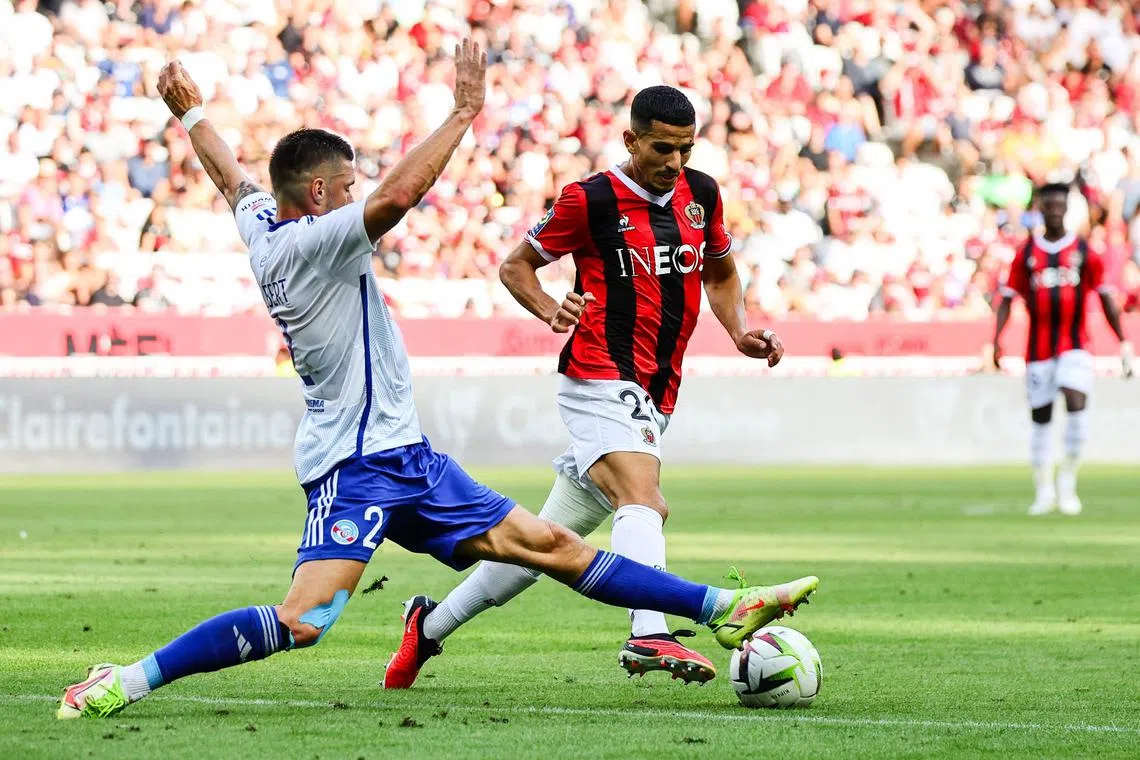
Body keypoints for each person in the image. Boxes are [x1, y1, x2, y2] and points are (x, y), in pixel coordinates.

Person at [57, 45, 818, 720]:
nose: (356, 192)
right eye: (345, 184)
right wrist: (462, 112)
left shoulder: (263, 224)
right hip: (355, 467)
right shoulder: (314, 244)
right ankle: (128, 676)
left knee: (549, 544)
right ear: (319, 198)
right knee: (305, 623)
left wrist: (192, 117)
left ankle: (721, 606)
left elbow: (233, 181)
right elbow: (396, 198)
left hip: (408, 457)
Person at [384, 86, 789, 689]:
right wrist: (549, 308)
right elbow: (515, 265)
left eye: (685, 149)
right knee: (644, 500)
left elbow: (721, 270)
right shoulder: (591, 198)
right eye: (661, 148)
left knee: (542, 546)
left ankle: (428, 626)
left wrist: (737, 330)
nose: (674, 162)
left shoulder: (701, 194)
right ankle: (647, 630)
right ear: (630, 140)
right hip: (598, 373)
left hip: (657, 389)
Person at [993, 182, 1133, 516]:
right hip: (1038, 350)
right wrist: (996, 339)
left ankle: (1067, 483)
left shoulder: (1083, 251)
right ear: (1039, 209)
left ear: (1067, 210)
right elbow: (1007, 300)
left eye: (1059, 206)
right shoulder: (1026, 253)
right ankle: (1044, 489)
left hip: (1075, 345)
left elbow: (1105, 298)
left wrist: (1123, 342)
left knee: (1076, 404)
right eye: (1048, 206)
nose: (1054, 211)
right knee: (1041, 419)